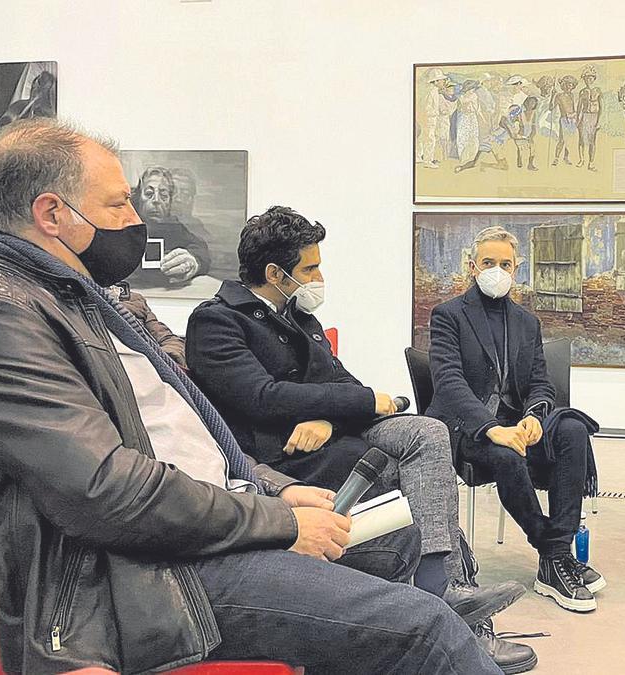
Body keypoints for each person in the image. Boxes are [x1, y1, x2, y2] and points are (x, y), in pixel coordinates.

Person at [0, 119, 499, 674]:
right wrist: (276, 519)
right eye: (120, 203)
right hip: (133, 579)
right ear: (52, 215)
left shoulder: (74, 298)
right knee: (428, 629)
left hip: (185, 531)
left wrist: (277, 493)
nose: (136, 221)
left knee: (397, 545)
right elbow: (105, 490)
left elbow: (187, 438)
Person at [184, 207, 535, 672]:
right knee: (400, 474)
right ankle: (455, 612)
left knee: (428, 434)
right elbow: (262, 398)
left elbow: (345, 386)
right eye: (310, 267)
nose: (319, 275)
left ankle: (445, 588)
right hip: (283, 455)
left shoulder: (297, 315)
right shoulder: (217, 322)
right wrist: (354, 405)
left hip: (327, 434)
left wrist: (331, 417)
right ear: (275, 273)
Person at [428, 226, 603, 613]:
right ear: (472, 266)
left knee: (572, 429)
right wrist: (493, 429)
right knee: (507, 456)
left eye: (505, 263)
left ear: (517, 268)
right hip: (468, 430)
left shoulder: (527, 322)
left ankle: (555, 557)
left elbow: (541, 383)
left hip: (516, 425)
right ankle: (555, 553)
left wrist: (534, 417)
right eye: (488, 262)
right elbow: (448, 383)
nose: (497, 270)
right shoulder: (448, 316)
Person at [129, 166, 212, 286]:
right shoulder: (123, 227)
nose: (156, 200)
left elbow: (201, 248)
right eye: (149, 193)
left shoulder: (175, 228)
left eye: (163, 195)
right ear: (138, 198)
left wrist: (193, 262)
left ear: (169, 203)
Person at [576, 65, 602, 172]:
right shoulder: (582, 92)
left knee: (592, 141)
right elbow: (579, 107)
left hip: (594, 117)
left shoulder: (598, 91)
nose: (589, 80)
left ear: (594, 79)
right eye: (587, 78)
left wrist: (599, 121)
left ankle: (591, 163)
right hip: (584, 116)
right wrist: (578, 119)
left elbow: (602, 107)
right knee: (582, 139)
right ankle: (581, 159)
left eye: (591, 78)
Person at [552, 75, 578, 166]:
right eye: (567, 84)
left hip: (572, 120)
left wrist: (575, 116)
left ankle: (566, 157)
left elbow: (573, 108)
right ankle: (556, 158)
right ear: (563, 85)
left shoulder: (571, 95)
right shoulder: (559, 96)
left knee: (569, 141)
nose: (569, 87)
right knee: (562, 139)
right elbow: (551, 108)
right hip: (564, 120)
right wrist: (552, 96)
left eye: (571, 85)